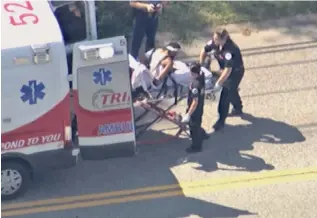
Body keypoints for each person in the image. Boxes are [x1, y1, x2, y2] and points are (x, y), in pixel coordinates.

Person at [199, 28, 245, 131]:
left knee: (225, 95)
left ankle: (221, 121)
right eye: (214, 38)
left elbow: (228, 70)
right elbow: (204, 50)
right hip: (223, 69)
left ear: (224, 39)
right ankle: (238, 107)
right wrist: (201, 65)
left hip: (234, 73)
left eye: (217, 39)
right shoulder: (215, 43)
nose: (214, 41)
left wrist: (219, 83)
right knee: (231, 91)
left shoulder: (230, 50)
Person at [181, 62, 207, 153]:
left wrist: (188, 114)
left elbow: (195, 102)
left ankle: (196, 146)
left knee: (193, 127)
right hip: (200, 107)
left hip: (195, 109)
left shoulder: (195, 85)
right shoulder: (201, 77)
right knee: (198, 123)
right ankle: (203, 134)